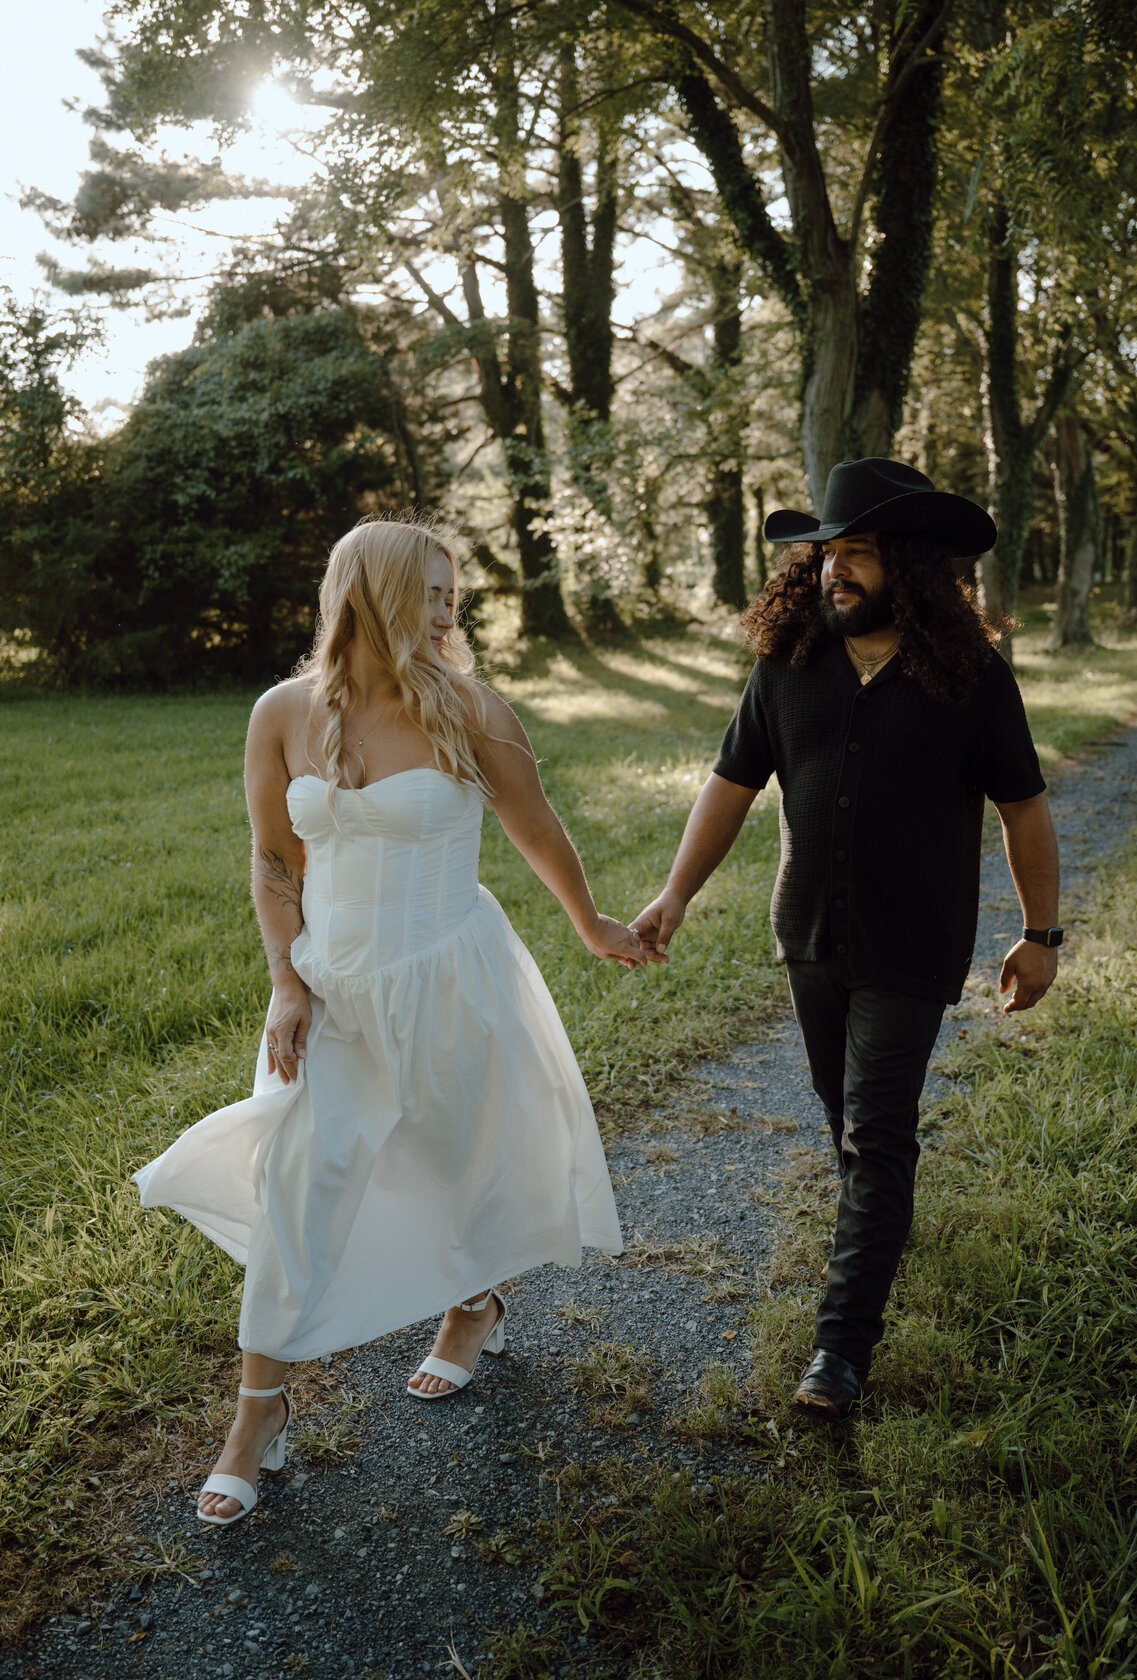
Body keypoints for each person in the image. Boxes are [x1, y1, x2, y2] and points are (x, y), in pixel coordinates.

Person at [137, 518, 644, 1524]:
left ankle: (475, 1304)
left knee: (463, 1158)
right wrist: (288, 983)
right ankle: (258, 1418)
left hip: (449, 974)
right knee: (298, 1183)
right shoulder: (282, 713)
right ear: (367, 591)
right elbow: (276, 861)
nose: (452, 611)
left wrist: (592, 925)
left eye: (456, 596)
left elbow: (535, 826)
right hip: (332, 994)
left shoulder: (470, 710)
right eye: (434, 592)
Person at [632, 458, 1061, 1421]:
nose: (833, 571)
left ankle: (839, 1349)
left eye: (856, 553)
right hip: (810, 936)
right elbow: (729, 786)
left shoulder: (970, 676)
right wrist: (675, 896)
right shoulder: (790, 665)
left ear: (905, 566)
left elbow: (1024, 808)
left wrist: (1042, 934)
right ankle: (878, 1215)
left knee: (876, 1130)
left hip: (916, 942)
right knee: (847, 1122)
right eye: (825, 553)